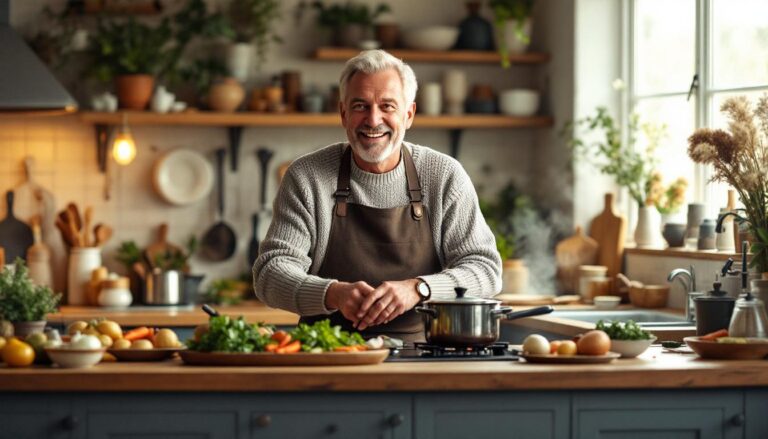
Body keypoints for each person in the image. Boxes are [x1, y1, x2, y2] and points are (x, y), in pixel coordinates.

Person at [253, 50, 501, 343]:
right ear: (343, 113)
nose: (373, 120)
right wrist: (332, 293)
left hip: (421, 357)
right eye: (361, 106)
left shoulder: (444, 175)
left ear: (408, 115)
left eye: (387, 106)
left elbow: (485, 270)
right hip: (325, 354)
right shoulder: (307, 176)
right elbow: (270, 273)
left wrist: (419, 288)